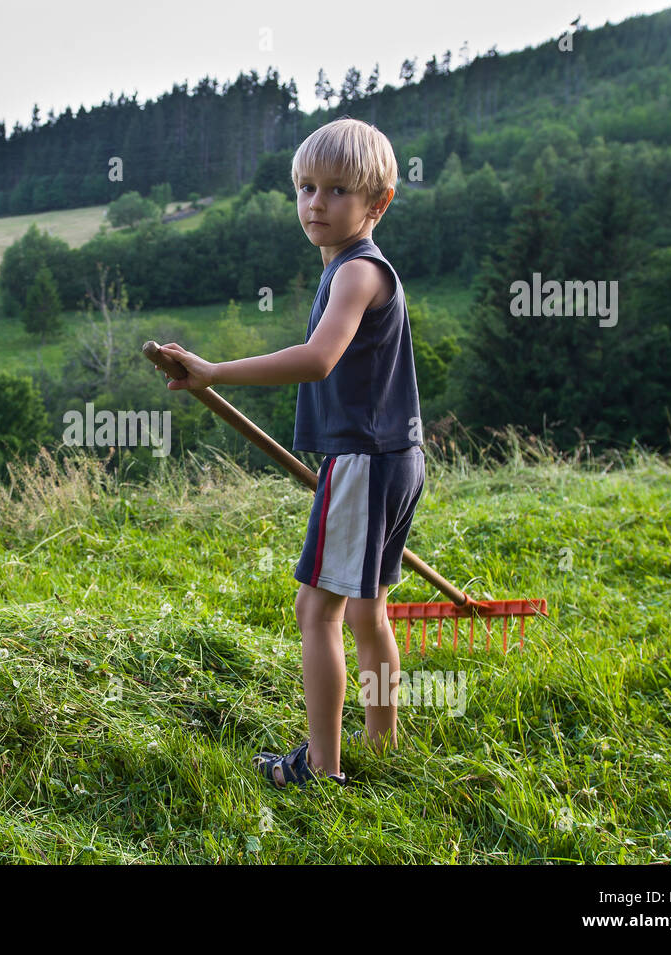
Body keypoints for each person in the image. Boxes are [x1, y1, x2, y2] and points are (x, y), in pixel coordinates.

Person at [157, 117, 425, 790]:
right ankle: (381, 740)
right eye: (305, 188)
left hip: (365, 460)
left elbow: (317, 359)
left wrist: (214, 370)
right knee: (366, 610)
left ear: (378, 201)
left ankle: (321, 768)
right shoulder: (351, 269)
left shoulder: (357, 274)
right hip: (390, 456)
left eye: (337, 190)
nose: (315, 203)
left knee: (317, 610)